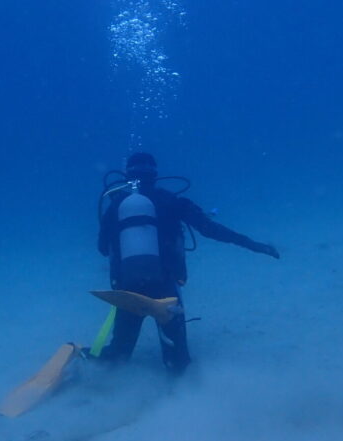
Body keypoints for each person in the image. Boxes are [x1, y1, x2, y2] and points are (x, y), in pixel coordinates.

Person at [96, 151, 279, 373]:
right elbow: (210, 229)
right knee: (178, 361)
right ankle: (181, 391)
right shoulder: (172, 200)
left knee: (119, 354)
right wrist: (252, 244)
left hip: (128, 287)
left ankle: (91, 366)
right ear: (155, 174)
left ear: (127, 175)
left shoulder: (115, 206)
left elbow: (103, 249)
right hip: (165, 285)